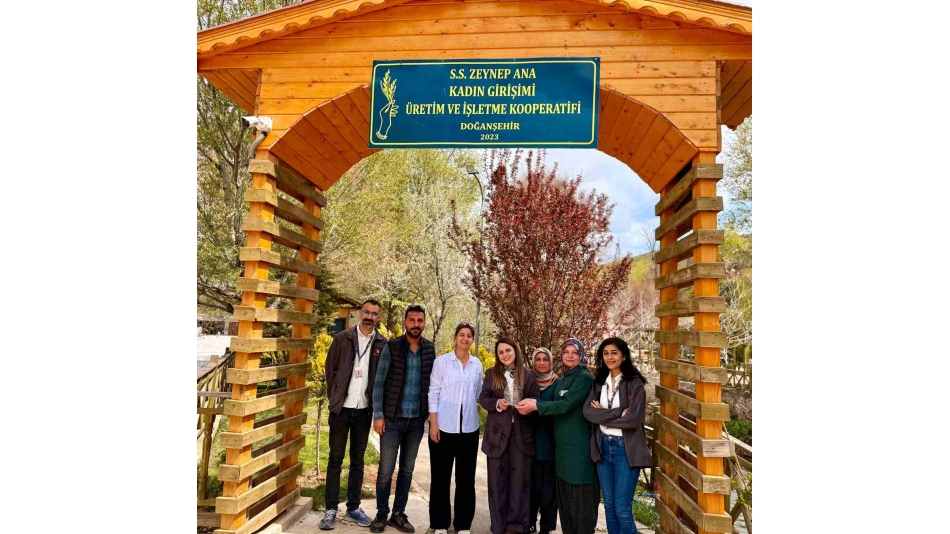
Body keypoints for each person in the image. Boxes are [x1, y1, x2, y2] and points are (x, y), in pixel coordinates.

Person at [516, 339, 597, 534]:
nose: (570, 355)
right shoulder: (564, 379)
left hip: (578, 448)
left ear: (581, 355)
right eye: (566, 351)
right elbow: (551, 403)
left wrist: (535, 405)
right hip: (561, 449)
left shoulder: (583, 378)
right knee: (565, 500)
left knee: (579, 499)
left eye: (574, 352)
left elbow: (565, 404)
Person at [320, 299, 389, 530]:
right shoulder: (343, 338)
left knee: (358, 462)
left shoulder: (381, 343)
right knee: (335, 460)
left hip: (364, 411)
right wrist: (335, 397)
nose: (369, 317)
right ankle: (330, 509)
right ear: (360, 313)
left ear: (378, 317)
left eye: (374, 314)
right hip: (341, 409)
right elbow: (330, 370)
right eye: (366, 312)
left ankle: (353, 508)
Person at [369, 305, 436, 534]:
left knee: (407, 471)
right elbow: (379, 383)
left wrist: (429, 415)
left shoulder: (429, 349)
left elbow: (433, 384)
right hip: (392, 420)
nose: (416, 324)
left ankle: (398, 514)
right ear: (405, 322)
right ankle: (381, 513)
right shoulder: (392, 346)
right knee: (385, 471)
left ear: (424, 323)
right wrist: (378, 415)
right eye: (412, 320)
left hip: (416, 422)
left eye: (420, 320)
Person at [583, 338, 652, 534]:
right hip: (603, 446)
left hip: (625, 450)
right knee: (610, 507)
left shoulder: (634, 383)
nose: (609, 357)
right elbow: (588, 412)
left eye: (614, 353)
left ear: (624, 356)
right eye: (606, 353)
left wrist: (603, 416)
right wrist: (618, 412)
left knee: (622, 509)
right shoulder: (599, 383)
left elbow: (633, 420)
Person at [479, 337, 540, 534]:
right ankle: (498, 526)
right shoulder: (492, 374)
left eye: (508, 350)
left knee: (520, 483)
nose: (505, 354)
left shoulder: (529, 375)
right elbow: (483, 398)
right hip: (497, 437)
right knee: (497, 483)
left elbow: (537, 400)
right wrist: (497, 404)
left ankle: (516, 527)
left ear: (515, 351)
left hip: (522, 436)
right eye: (501, 352)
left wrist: (528, 407)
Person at [427, 323, 484, 534]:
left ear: (472, 340)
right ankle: (440, 523)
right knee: (440, 478)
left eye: (469, 336)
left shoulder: (477, 365)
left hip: (469, 429)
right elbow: (433, 393)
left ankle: (463, 525)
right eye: (461, 334)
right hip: (443, 427)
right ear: (455, 337)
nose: (465, 338)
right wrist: (433, 423)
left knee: (466, 479)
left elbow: (479, 393)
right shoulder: (442, 363)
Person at [527, 348, 559, 534]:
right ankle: (529, 522)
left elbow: (560, 408)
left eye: (545, 359)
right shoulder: (528, 382)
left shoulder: (558, 384)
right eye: (537, 359)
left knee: (549, 490)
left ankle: (546, 527)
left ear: (551, 362)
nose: (541, 362)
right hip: (530, 443)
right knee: (532, 487)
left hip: (550, 443)